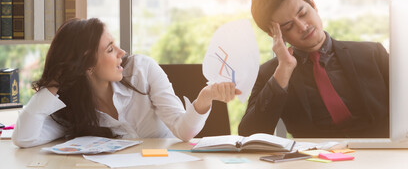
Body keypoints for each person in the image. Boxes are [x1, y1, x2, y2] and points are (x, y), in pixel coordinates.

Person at [12, 18, 241, 148]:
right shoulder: (70, 108)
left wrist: (205, 98)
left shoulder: (143, 70)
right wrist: (54, 83)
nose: (122, 52)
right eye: (110, 49)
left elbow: (184, 131)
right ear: (87, 65)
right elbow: (24, 138)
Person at [238, 0, 389, 138]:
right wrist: (284, 71)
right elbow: (249, 134)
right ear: (274, 34)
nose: (303, 27)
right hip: (314, 159)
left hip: (378, 154)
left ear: (313, 3)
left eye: (303, 14)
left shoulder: (373, 54)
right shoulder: (271, 74)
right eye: (289, 26)